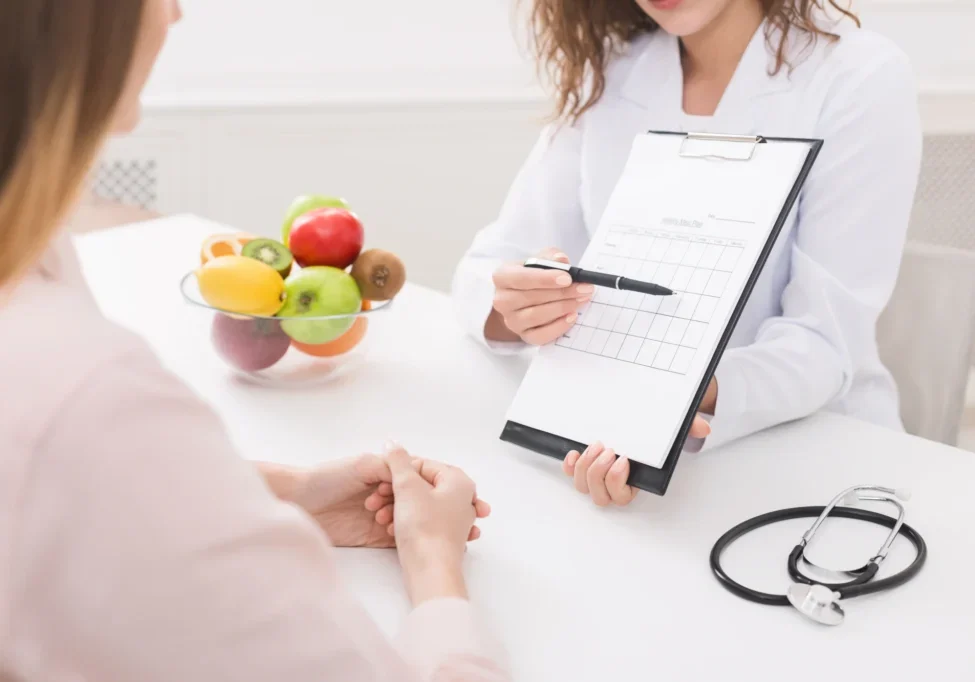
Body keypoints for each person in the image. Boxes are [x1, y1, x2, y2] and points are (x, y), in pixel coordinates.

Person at [0, 2, 508, 680]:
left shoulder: (38, 267)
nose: (174, 13)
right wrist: (434, 562)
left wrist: (285, 492)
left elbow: (57, 503)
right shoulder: (85, 390)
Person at [452, 0, 922, 507]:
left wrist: (669, 390)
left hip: (819, 464)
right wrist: (519, 307)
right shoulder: (610, 73)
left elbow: (825, 345)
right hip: (620, 446)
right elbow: (486, 269)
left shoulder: (858, 76)